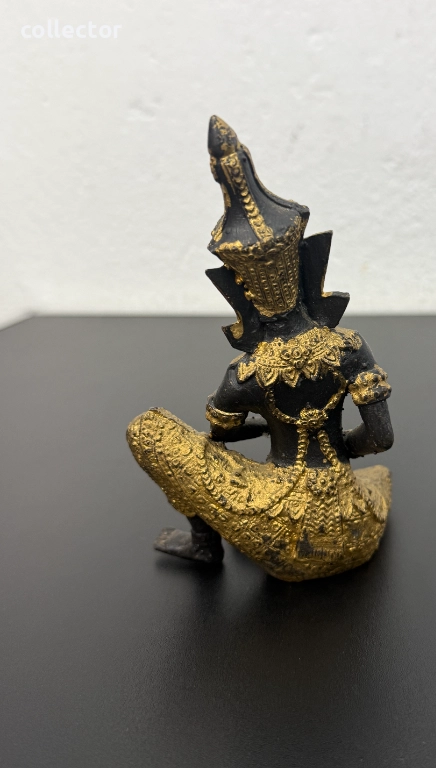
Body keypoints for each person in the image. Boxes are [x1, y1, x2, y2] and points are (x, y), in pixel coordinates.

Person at [127, 117, 394, 581]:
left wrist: (271, 427)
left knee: (148, 430)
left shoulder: (244, 375)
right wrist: (340, 450)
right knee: (381, 475)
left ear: (241, 289)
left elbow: (221, 435)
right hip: (356, 528)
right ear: (303, 265)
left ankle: (204, 543)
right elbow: (380, 439)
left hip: (277, 532)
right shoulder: (349, 347)